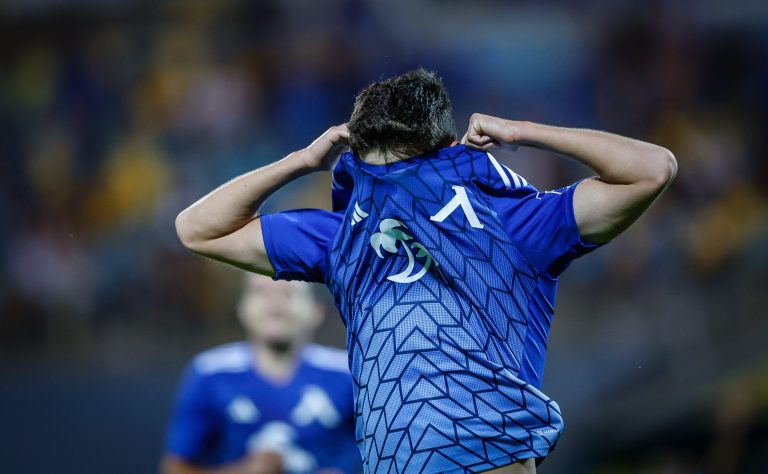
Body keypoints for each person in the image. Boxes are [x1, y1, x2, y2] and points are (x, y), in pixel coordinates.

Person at [175, 69, 677, 473]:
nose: (395, 191)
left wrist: (522, 132)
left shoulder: (507, 221)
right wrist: (300, 161)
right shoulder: (342, 237)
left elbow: (653, 169)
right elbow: (198, 230)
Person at [162, 274, 361, 474]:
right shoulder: (210, 374)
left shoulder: (349, 374)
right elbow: (175, 468)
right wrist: (246, 470)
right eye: (261, 292)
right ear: (242, 307)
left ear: (316, 310)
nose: (274, 306)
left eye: (287, 293)